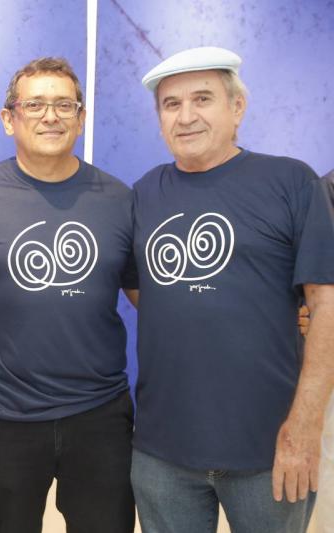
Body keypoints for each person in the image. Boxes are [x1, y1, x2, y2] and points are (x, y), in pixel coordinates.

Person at [131, 46, 334, 532]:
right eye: (171, 104)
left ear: (237, 107)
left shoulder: (291, 181)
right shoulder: (143, 193)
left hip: (270, 449)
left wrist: (306, 426)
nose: (186, 116)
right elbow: (143, 292)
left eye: (202, 99)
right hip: (161, 453)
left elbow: (325, 303)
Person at [0, 57, 137, 532]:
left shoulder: (120, 199)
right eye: (34, 104)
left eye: (64, 105)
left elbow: (147, 295)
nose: (50, 116)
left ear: (81, 117)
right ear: (8, 118)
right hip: (3, 419)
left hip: (99, 416)